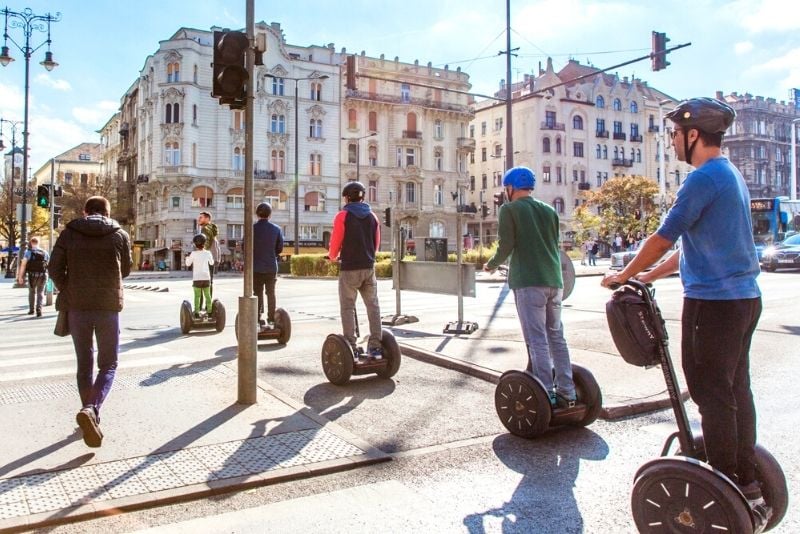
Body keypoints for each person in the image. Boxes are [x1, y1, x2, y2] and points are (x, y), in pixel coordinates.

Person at [601, 97, 769, 522]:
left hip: (713, 304)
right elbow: (690, 246)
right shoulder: (729, 174)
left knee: (711, 393)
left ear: (694, 135)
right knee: (735, 390)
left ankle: (724, 475)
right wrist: (650, 277)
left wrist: (624, 274)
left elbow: (663, 236)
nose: (672, 141)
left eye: (675, 134)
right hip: (744, 300)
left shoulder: (702, 179)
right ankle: (745, 478)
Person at [484, 166, 576, 407]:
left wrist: (491, 264)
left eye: (507, 187)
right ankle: (567, 391)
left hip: (528, 281)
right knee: (557, 337)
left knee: (537, 340)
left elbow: (506, 245)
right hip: (554, 281)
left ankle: (545, 393)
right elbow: (552, 243)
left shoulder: (509, 209)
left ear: (511, 187)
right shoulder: (549, 210)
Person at [48, 196, 132, 448]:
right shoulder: (119, 234)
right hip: (107, 306)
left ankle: (89, 411)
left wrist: (68, 287)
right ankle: (92, 410)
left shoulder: (70, 232)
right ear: (107, 212)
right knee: (109, 363)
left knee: (84, 363)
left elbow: (53, 268)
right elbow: (126, 270)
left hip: (77, 307)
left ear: (86, 211)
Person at [327, 181, 383, 359]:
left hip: (349, 268)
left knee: (348, 307)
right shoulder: (373, 217)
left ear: (346, 197)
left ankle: (351, 345)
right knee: (373, 307)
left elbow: (335, 242)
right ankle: (375, 346)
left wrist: (332, 256)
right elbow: (376, 244)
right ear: (363, 197)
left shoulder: (342, 216)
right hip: (368, 267)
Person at [253, 202, 284, 325]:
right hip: (271, 266)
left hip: (255, 267)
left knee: (257, 292)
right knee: (271, 293)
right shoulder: (276, 229)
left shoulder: (252, 228)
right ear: (270, 215)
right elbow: (280, 248)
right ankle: (271, 318)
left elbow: (246, 247)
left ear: (257, 214)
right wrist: (272, 255)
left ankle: (257, 318)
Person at [16, 236, 49, 317]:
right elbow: (48, 264)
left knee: (31, 292)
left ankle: (31, 310)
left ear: (31, 243)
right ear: (38, 243)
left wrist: (20, 277)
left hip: (32, 275)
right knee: (40, 292)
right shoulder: (45, 252)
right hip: (43, 275)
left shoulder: (28, 252)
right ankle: (39, 310)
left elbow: (23, 265)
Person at [185, 234, 214, 317]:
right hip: (206, 277)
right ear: (204, 243)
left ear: (195, 244)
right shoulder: (208, 253)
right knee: (207, 296)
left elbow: (187, 264)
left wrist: (187, 257)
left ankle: (197, 312)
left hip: (197, 278)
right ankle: (209, 311)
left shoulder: (193, 253)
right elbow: (211, 263)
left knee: (197, 296)